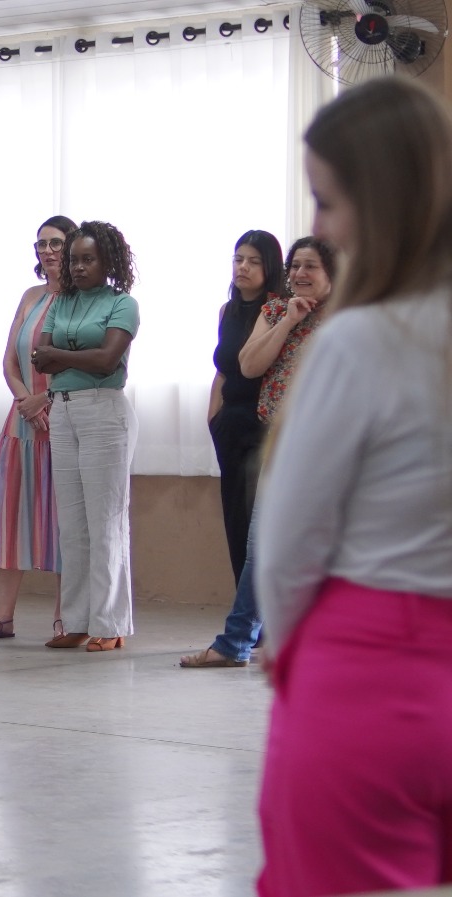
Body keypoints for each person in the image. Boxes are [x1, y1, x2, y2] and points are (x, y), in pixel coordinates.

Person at [256, 76, 452, 897]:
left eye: (328, 202)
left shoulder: (363, 339)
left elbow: (290, 543)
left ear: (382, 202)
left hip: (374, 674)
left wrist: (287, 648)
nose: (320, 227)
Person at [181, 237, 334, 669]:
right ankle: (237, 643)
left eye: (311, 266)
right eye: (295, 266)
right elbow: (248, 365)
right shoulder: (274, 310)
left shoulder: (347, 319)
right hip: (283, 444)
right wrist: (288, 320)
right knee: (261, 545)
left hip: (330, 448)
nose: (300, 274)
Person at [31, 220, 140, 652]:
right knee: (72, 526)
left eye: (87, 259)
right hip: (63, 411)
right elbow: (40, 359)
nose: (77, 267)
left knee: (105, 523)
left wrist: (61, 355)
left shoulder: (123, 304)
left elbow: (107, 359)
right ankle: (76, 621)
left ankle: (110, 624)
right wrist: (74, 356)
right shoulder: (61, 302)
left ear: (107, 261)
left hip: (104, 411)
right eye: (74, 260)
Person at [0, 215, 75, 641]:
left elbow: (86, 363)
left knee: (65, 521)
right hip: (21, 423)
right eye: (41, 244)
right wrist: (26, 402)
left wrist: (45, 399)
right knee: (10, 517)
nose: (47, 251)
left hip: (64, 419)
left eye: (55, 243)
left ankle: (66, 616)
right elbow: (9, 361)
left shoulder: (86, 300)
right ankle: (3, 616)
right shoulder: (31, 296)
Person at [209, 230, 285, 585]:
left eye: (254, 261)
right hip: (230, 424)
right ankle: (243, 602)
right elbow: (222, 370)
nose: (243, 267)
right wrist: (213, 417)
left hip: (265, 424)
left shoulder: (279, 310)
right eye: (238, 259)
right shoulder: (227, 311)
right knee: (235, 518)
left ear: (270, 267)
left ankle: (262, 607)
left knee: (261, 520)